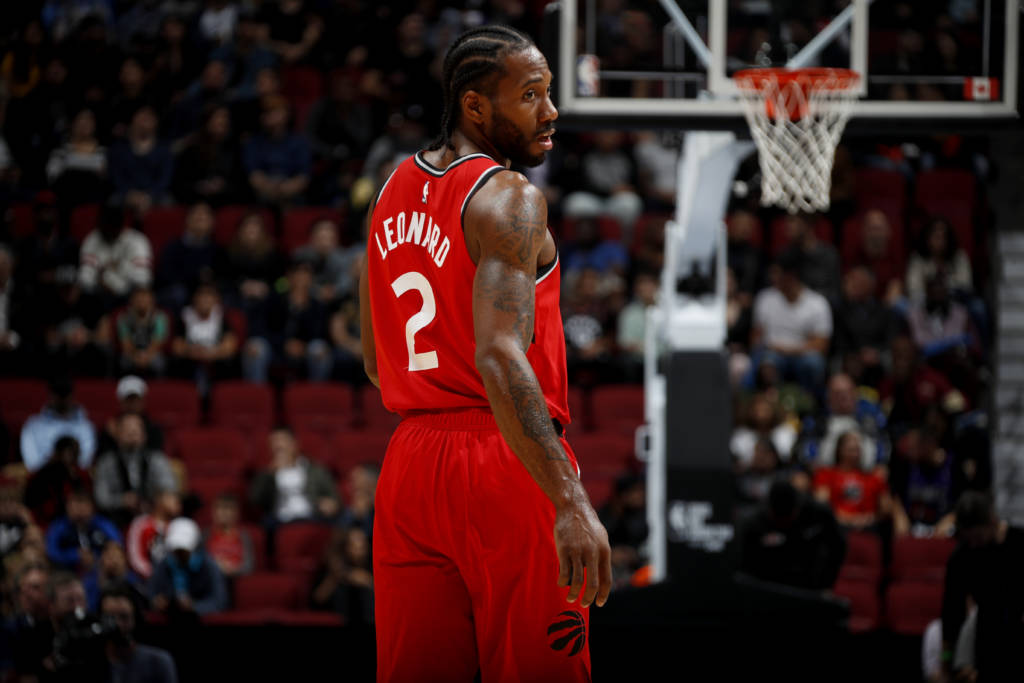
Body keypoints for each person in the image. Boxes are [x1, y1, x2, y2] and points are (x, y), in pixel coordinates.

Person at [360, 26, 611, 682]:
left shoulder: (387, 191)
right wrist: (569, 499)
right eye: (530, 96)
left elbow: (375, 361)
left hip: (409, 465)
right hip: (503, 456)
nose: (550, 111)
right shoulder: (510, 198)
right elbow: (500, 356)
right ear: (475, 105)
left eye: (548, 93)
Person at [940, 491, 1024, 682]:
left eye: (977, 537)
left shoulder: (1019, 543)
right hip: (987, 638)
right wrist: (945, 662)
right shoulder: (962, 555)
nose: (973, 545)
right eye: (967, 539)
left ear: (992, 521)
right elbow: (951, 615)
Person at [749, 250, 833, 399]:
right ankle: (768, 401)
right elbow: (756, 336)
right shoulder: (765, 298)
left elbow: (821, 345)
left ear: (791, 276)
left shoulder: (817, 303)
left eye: (777, 273)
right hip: (772, 353)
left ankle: (808, 402)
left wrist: (787, 349)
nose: (772, 277)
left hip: (803, 354)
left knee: (813, 363)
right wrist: (762, 345)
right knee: (766, 362)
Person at [736, 478, 847, 591]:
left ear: (797, 508)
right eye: (779, 521)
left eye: (788, 519)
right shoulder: (753, 522)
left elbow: (837, 548)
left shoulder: (818, 514)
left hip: (809, 583)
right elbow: (744, 564)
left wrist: (826, 584)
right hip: (767, 585)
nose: (784, 524)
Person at [93, 412, 178, 528]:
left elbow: (169, 489)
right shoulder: (106, 462)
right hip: (115, 521)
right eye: (127, 429)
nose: (132, 432)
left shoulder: (157, 460)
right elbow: (101, 498)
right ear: (117, 434)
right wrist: (122, 501)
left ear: (144, 435)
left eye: (136, 429)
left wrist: (151, 500)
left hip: (152, 517)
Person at [247, 426, 340, 525]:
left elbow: (334, 497)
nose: (278, 446)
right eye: (274, 442)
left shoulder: (314, 470)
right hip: (279, 521)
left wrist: (331, 504)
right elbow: (255, 500)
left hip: (312, 516)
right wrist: (269, 475)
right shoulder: (266, 473)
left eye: (283, 440)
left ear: (295, 444)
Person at [147, 516, 228, 617]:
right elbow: (151, 593)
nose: (179, 555)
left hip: (199, 621)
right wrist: (156, 602)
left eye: (183, 550)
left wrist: (195, 607)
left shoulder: (209, 566)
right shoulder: (164, 564)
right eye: (176, 550)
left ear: (195, 547)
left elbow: (220, 601)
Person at [99, 584, 178, 683]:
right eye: (109, 618)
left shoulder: (158, 663)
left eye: (124, 617)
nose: (117, 624)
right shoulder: (90, 663)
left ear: (136, 619)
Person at [20, 375, 97, 473]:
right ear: (50, 395)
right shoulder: (33, 426)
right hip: (43, 477)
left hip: (74, 477)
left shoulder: (86, 427)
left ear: (71, 395)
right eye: (58, 393)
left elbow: (85, 461)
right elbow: (32, 463)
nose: (61, 399)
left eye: (65, 394)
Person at [45, 486, 122, 573]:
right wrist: (75, 555)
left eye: (82, 502)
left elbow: (116, 544)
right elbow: (51, 552)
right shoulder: (58, 526)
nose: (79, 509)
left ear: (92, 506)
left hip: (99, 572)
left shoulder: (102, 524)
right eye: (75, 503)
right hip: (67, 573)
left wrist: (96, 557)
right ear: (67, 506)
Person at [23, 435, 93, 526]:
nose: (73, 459)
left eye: (76, 454)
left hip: (82, 521)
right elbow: (35, 507)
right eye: (70, 453)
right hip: (49, 522)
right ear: (57, 454)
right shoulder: (41, 476)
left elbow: (90, 500)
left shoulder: (81, 474)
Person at [114, 286, 171, 377]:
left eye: (145, 300)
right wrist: (135, 356)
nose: (142, 303)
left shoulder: (159, 318)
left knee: (159, 362)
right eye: (139, 301)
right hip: (132, 353)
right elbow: (126, 343)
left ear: (151, 302)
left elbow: (157, 343)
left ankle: (159, 384)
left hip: (151, 353)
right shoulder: (124, 318)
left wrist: (146, 357)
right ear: (132, 301)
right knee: (123, 361)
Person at [126, 490, 182, 580]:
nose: (177, 502)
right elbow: (135, 557)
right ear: (159, 500)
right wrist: (154, 576)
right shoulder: (141, 524)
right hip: (145, 581)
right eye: (171, 498)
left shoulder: (179, 527)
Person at [82, 540, 145, 614]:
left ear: (124, 560)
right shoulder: (90, 582)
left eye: (117, 557)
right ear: (102, 560)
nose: (114, 561)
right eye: (110, 557)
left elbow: (141, 607)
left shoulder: (133, 582)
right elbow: (89, 608)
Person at [203, 492, 255, 580]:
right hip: (212, 575)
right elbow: (200, 560)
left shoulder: (243, 536)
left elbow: (249, 565)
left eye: (227, 508)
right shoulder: (206, 534)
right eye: (219, 508)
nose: (222, 512)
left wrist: (233, 570)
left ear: (236, 512)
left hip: (235, 576)